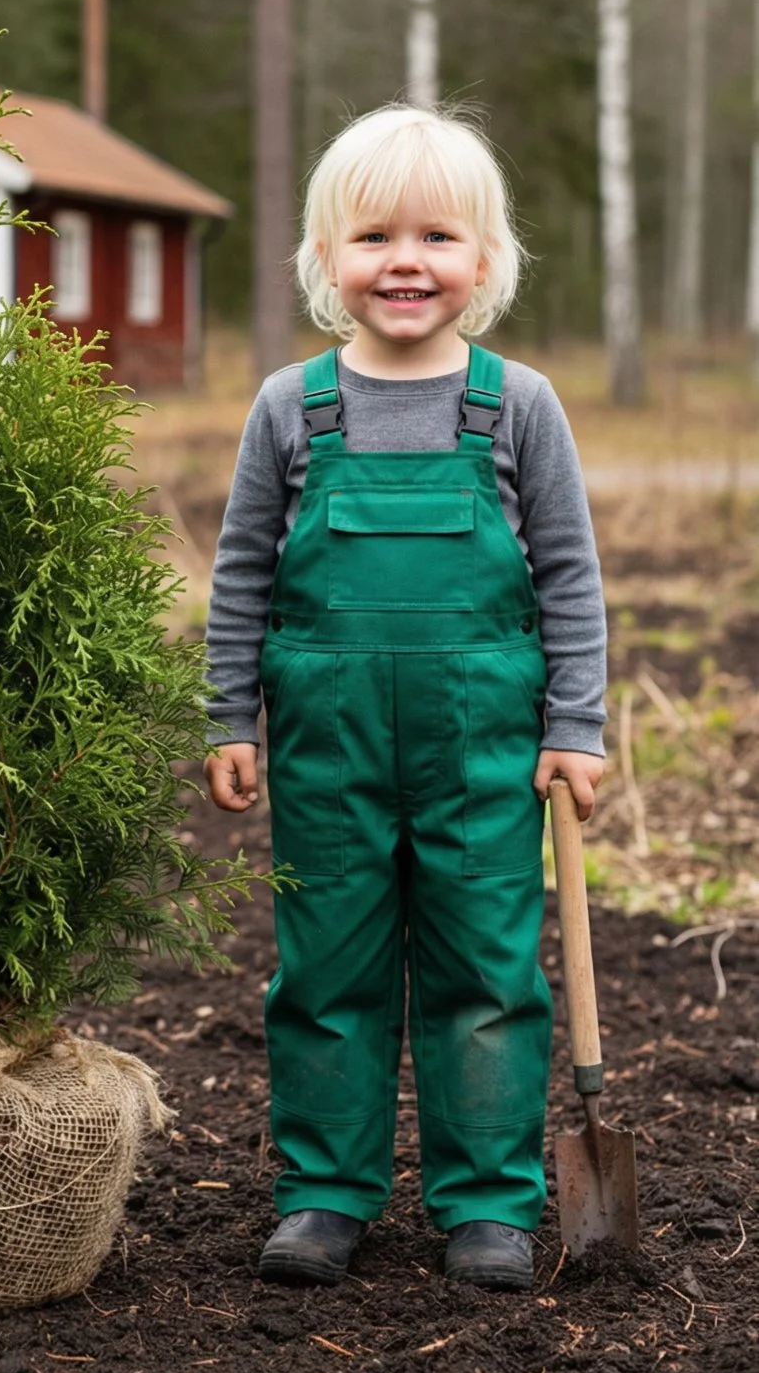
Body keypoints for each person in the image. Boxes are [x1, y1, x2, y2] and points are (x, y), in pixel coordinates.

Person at [204, 106, 606, 1293]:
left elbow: (572, 575)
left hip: (484, 746)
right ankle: (325, 1194)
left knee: (487, 967)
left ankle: (488, 1203)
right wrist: (230, 714)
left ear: (485, 257)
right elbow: (241, 570)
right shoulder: (292, 404)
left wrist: (575, 726)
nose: (406, 261)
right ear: (329, 256)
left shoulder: (516, 404)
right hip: (327, 747)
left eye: (438, 235)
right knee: (325, 968)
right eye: (374, 235)